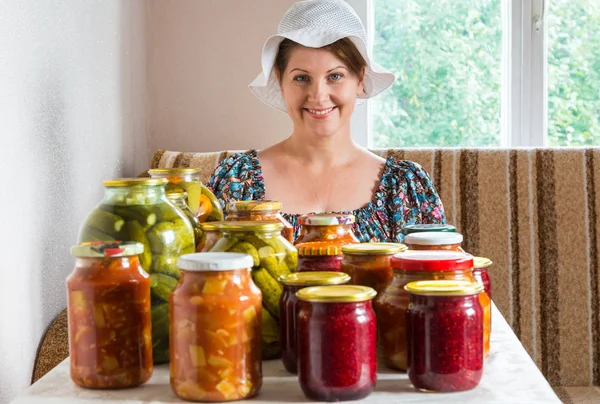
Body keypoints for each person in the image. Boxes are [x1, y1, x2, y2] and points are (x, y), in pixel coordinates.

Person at [207, 0, 445, 242]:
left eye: (335, 76)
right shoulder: (236, 180)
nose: (318, 96)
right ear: (280, 81)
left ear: (360, 79)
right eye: (301, 78)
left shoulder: (405, 186)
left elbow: (436, 274)